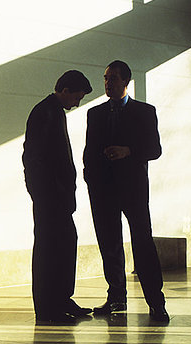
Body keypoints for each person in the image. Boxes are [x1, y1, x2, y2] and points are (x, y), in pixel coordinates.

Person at [83, 60, 169, 322]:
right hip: (102, 191)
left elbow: (155, 149)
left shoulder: (144, 111)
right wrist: (90, 180)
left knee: (143, 243)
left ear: (126, 82)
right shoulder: (94, 114)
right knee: (109, 246)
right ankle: (116, 298)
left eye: (113, 78)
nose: (108, 83)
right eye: (106, 78)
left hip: (133, 190)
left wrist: (128, 151)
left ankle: (156, 302)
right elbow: (89, 152)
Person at [22, 70, 93, 323]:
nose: (77, 103)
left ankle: (61, 300)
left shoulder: (53, 112)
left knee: (63, 245)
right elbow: (33, 158)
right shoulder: (44, 112)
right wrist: (43, 194)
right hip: (50, 198)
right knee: (48, 251)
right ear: (65, 90)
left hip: (57, 199)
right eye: (77, 96)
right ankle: (48, 308)